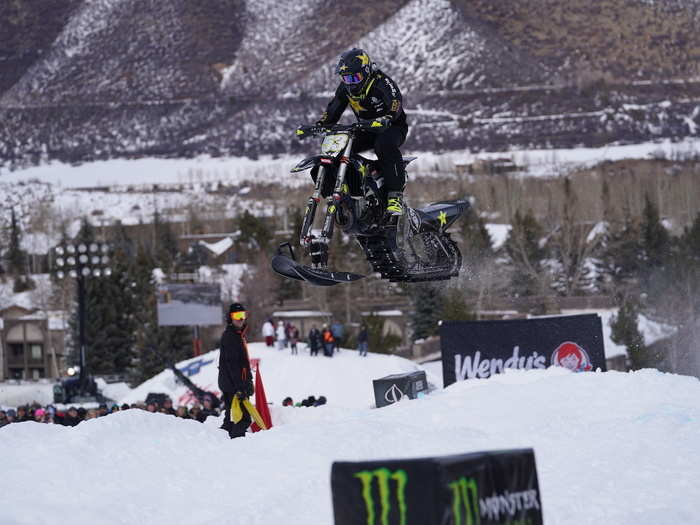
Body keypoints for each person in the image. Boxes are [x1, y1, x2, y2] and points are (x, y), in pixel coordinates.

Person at [309, 48, 408, 217]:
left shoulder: (381, 82)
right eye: (346, 78)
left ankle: (395, 195)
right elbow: (333, 109)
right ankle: (346, 190)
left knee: (383, 144)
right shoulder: (345, 88)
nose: (351, 82)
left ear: (366, 72)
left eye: (355, 78)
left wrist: (388, 117)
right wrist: (321, 124)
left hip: (392, 126)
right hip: (365, 128)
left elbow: (395, 101)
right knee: (339, 146)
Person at [218, 302, 254, 439]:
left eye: (242, 315)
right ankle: (235, 444)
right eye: (236, 315)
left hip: (232, 383)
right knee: (243, 419)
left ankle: (221, 440)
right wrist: (240, 387)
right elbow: (232, 364)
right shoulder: (230, 336)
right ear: (230, 318)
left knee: (231, 418)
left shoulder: (238, 335)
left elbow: (243, 363)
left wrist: (249, 380)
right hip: (233, 385)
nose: (240, 319)